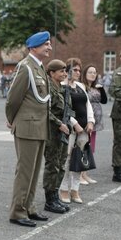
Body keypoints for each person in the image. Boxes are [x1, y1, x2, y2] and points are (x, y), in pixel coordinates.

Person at [5, 31, 52, 227]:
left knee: (34, 171)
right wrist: (11, 120)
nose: (49, 47)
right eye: (45, 44)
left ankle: (29, 207)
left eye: (49, 44)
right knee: (25, 171)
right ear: (34, 47)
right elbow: (13, 98)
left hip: (39, 126)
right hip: (27, 127)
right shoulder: (25, 68)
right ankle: (17, 211)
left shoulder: (39, 68)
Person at [59, 58, 95, 204]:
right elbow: (63, 109)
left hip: (85, 129)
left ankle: (75, 190)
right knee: (66, 160)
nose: (79, 73)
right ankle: (63, 190)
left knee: (79, 160)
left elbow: (88, 105)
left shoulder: (80, 85)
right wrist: (75, 124)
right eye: (75, 70)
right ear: (67, 71)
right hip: (71, 129)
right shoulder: (61, 86)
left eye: (80, 70)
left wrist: (91, 121)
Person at [42, 59, 71, 214]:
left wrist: (69, 123)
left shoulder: (63, 88)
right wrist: (59, 123)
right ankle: (49, 200)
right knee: (52, 164)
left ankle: (55, 195)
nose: (64, 73)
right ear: (52, 73)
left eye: (65, 71)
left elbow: (68, 108)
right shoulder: (47, 88)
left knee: (61, 164)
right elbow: (45, 111)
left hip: (64, 130)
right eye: (61, 71)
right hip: (52, 131)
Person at [81, 64, 107, 184]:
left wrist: (101, 88)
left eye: (94, 72)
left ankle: (85, 173)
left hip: (96, 122)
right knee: (83, 146)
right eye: (90, 72)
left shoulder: (96, 87)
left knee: (91, 148)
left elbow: (104, 100)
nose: (93, 74)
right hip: (86, 120)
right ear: (85, 74)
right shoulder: (82, 87)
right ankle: (80, 173)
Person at [109, 49, 121, 182]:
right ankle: (117, 171)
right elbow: (115, 91)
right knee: (119, 141)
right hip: (119, 113)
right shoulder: (118, 73)